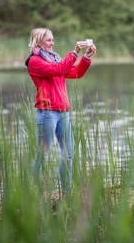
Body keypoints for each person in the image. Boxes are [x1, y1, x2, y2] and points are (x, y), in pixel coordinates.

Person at [25, 28, 96, 195]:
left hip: (63, 112)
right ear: (38, 42)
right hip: (47, 113)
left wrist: (86, 57)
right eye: (48, 40)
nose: (52, 42)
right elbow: (56, 70)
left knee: (68, 156)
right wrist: (74, 53)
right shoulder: (35, 61)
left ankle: (66, 195)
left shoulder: (55, 59)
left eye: (52, 39)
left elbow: (76, 73)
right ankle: (32, 193)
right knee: (43, 155)